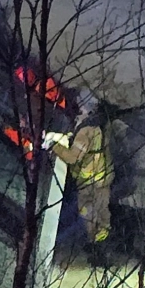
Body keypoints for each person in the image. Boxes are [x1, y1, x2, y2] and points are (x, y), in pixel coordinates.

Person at [48, 101, 112, 244]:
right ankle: (102, 238)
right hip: (102, 176)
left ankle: (94, 239)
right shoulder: (98, 127)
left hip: (89, 180)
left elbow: (72, 157)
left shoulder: (85, 131)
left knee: (85, 208)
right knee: (102, 209)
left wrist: (54, 147)